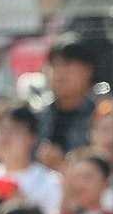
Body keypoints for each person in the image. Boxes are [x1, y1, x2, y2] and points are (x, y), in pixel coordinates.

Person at [35, 33, 100, 172]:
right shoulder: (39, 115)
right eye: (54, 65)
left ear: (88, 70)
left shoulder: (102, 115)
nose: (60, 72)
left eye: (68, 64)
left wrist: (64, 164)